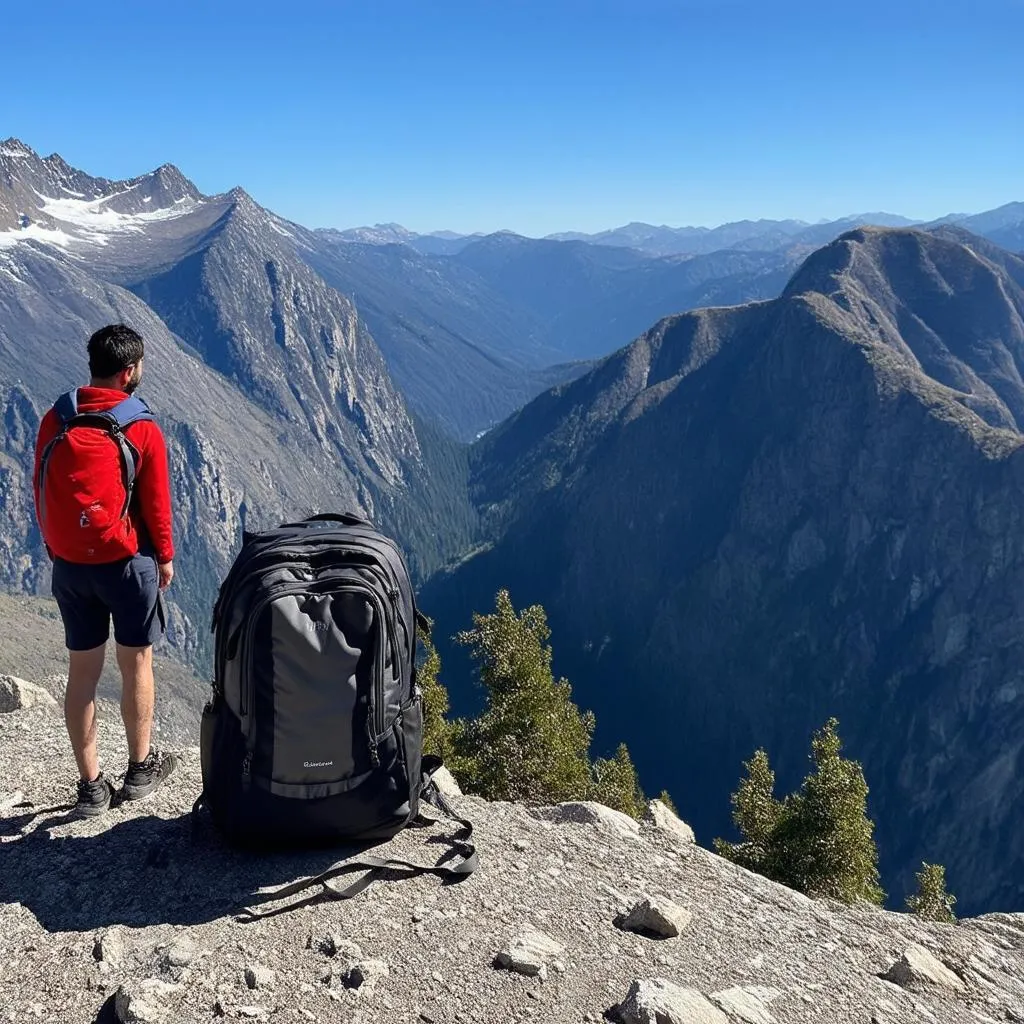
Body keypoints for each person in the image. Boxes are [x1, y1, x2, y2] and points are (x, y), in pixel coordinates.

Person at [33, 323, 178, 817]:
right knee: (135, 662)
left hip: (71, 566)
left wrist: (57, 548)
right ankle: (140, 771)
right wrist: (164, 557)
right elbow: (156, 505)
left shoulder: (56, 419)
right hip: (124, 566)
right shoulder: (140, 426)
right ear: (129, 370)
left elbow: (39, 488)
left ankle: (91, 787)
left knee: (83, 672)